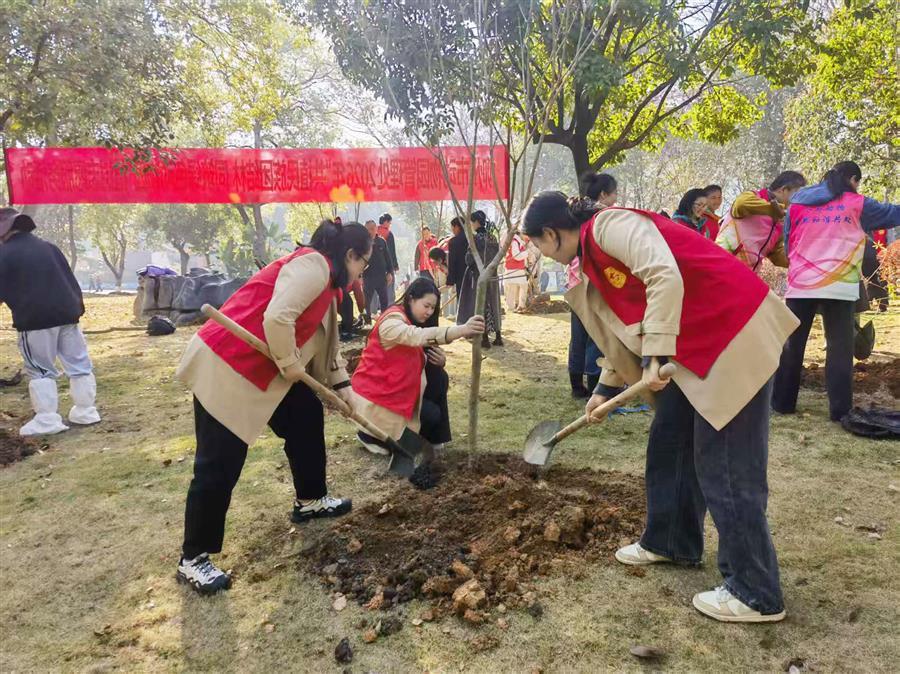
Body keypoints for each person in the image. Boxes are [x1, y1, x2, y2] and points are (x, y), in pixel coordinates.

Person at [522, 191, 800, 623]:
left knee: (725, 463)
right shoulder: (589, 262)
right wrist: (603, 389)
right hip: (690, 350)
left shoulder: (610, 226)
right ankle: (671, 539)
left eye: (537, 244)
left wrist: (655, 355)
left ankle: (755, 590)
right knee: (670, 440)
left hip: (729, 331)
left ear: (551, 234)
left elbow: (663, 275)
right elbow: (621, 327)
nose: (540, 252)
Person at [174, 219, 370, 595]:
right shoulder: (311, 266)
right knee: (219, 462)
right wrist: (289, 361)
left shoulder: (329, 288)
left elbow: (326, 352)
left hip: (269, 371)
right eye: (364, 263)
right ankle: (193, 558)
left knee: (305, 416)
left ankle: (310, 499)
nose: (363, 272)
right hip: (228, 362)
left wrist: (345, 390)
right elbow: (277, 317)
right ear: (349, 255)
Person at [772, 161, 900, 421]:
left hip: (801, 283)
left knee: (791, 346)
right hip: (839, 286)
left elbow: (788, 243)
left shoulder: (797, 203)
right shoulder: (857, 202)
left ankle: (782, 403)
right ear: (852, 180)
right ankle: (840, 410)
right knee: (839, 350)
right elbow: (893, 213)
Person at [352, 277, 484, 454]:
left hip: (397, 387)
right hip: (378, 395)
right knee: (431, 415)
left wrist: (440, 361)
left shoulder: (413, 318)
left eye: (432, 308)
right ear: (411, 298)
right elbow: (414, 336)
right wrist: (460, 330)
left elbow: (422, 347)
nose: (429, 312)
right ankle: (370, 435)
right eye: (426, 305)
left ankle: (437, 439)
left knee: (439, 376)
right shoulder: (391, 322)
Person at [0, 208, 102, 436]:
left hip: (35, 319)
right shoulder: (49, 248)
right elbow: (70, 279)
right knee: (79, 364)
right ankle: (86, 412)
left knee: (40, 368)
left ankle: (47, 419)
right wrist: (76, 310)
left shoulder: (4, 254)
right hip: (68, 315)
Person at [566, 172, 620, 397]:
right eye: (614, 192)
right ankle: (597, 384)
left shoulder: (575, 213)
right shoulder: (603, 217)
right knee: (597, 336)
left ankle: (577, 386)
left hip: (573, 281)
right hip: (594, 281)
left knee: (578, 336)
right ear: (603, 194)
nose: (616, 197)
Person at [716, 171, 807, 274]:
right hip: (721, 265)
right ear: (784, 190)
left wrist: (801, 261)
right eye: (798, 195)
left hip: (745, 275)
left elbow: (776, 255)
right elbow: (741, 204)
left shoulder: (780, 222)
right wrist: (772, 209)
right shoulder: (753, 196)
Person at [456, 211, 503, 348]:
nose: (470, 224)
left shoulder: (475, 239)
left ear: (476, 222)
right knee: (494, 303)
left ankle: (484, 338)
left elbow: (469, 258)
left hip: (479, 275)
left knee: (481, 303)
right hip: (493, 274)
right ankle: (498, 336)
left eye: (471, 221)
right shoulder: (493, 238)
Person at [362, 219, 393, 318]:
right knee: (366, 301)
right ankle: (367, 320)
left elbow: (388, 259)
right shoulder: (362, 243)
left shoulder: (381, 241)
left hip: (381, 277)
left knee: (384, 300)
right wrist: (359, 276)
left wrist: (390, 272)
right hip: (368, 277)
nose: (370, 231)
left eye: (372, 229)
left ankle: (384, 320)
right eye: (368, 230)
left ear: (376, 229)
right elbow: (358, 261)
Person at [502, 231, 529, 312]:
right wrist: (526, 253)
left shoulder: (514, 241)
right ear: (520, 234)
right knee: (521, 287)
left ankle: (516, 306)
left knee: (513, 289)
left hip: (514, 268)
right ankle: (518, 306)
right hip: (515, 269)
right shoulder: (515, 242)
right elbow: (516, 256)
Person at [378, 213, 400, 300]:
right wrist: (395, 265)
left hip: (374, 267)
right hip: (386, 266)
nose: (390, 225)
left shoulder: (374, 232)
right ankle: (390, 306)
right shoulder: (388, 234)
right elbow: (391, 252)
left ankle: (376, 309)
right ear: (386, 222)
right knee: (390, 287)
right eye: (390, 223)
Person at [446, 217, 468, 304]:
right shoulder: (472, 239)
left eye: (453, 228)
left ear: (457, 227)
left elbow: (452, 262)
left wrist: (450, 279)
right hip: (473, 275)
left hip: (460, 275)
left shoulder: (454, 242)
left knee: (462, 300)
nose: (452, 230)